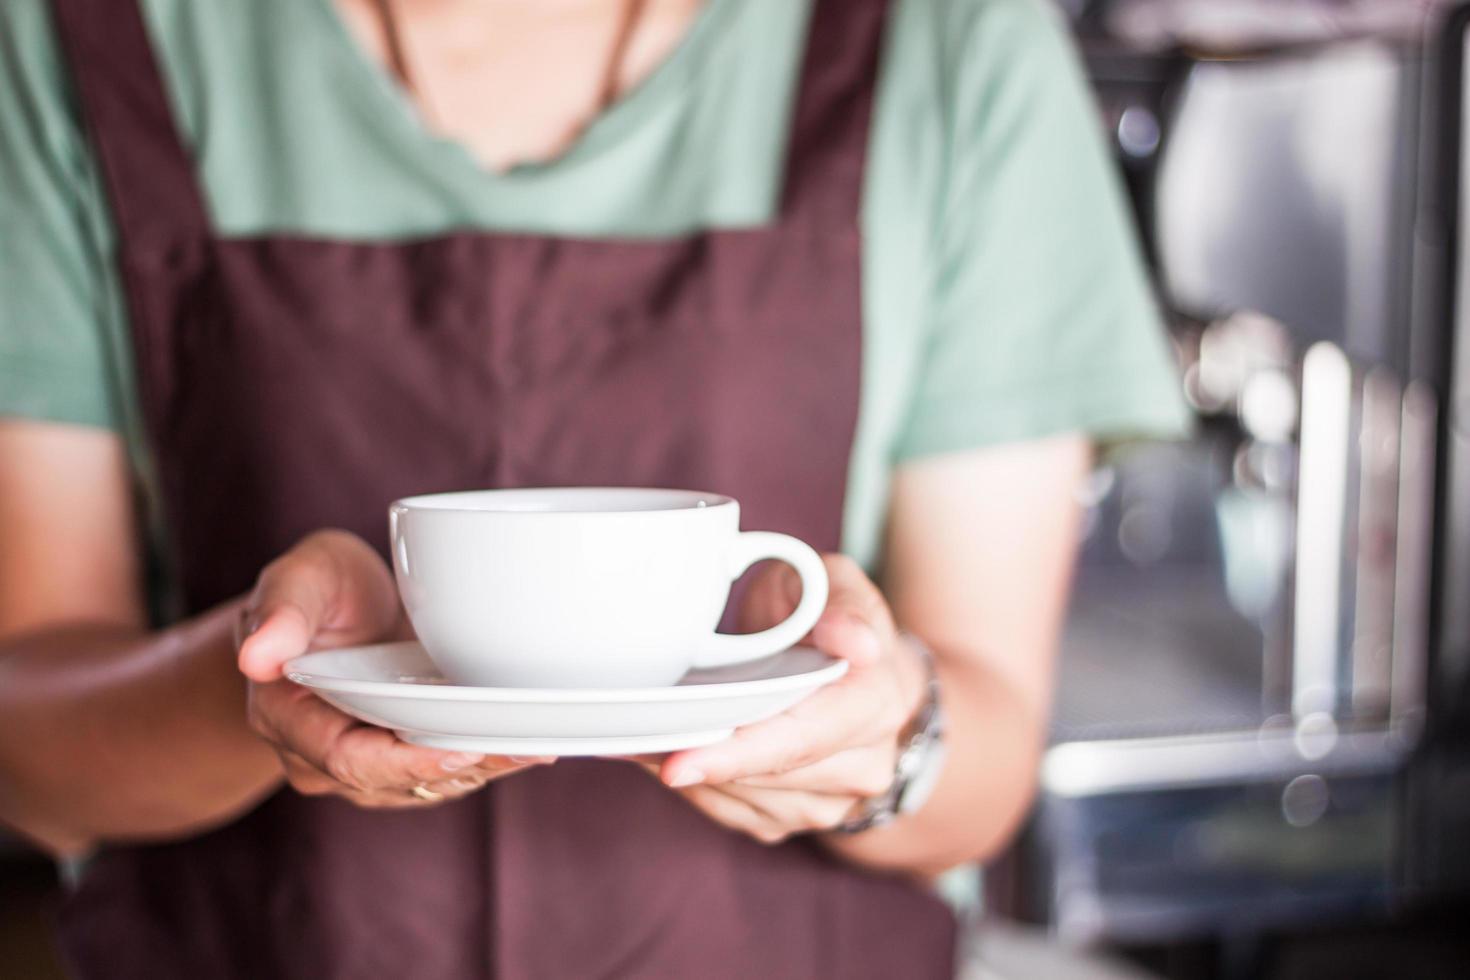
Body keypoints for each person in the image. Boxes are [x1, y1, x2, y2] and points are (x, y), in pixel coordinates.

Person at [0, 0, 1188, 976]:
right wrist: (262, 674)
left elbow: (983, 772)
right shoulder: (78, 40)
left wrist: (894, 731)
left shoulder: (954, 43)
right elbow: (28, 740)